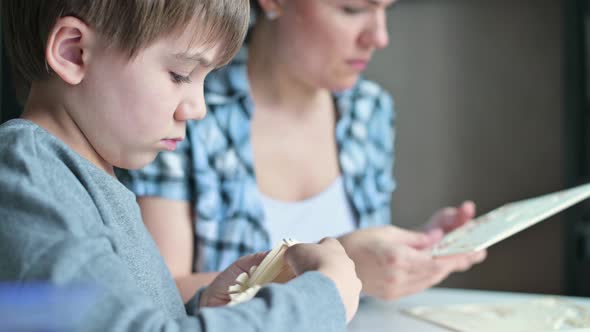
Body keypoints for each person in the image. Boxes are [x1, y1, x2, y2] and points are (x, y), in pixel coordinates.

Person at [0, 1, 363, 331]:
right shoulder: (28, 175)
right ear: (73, 52)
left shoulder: (86, 179)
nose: (197, 107)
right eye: (180, 74)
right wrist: (320, 299)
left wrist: (200, 309)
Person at [119, 0, 486, 303]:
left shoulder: (369, 110)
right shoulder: (185, 110)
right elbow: (161, 295)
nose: (379, 37)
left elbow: (363, 280)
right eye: (353, 9)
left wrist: (413, 251)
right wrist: (331, 270)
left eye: (386, 10)